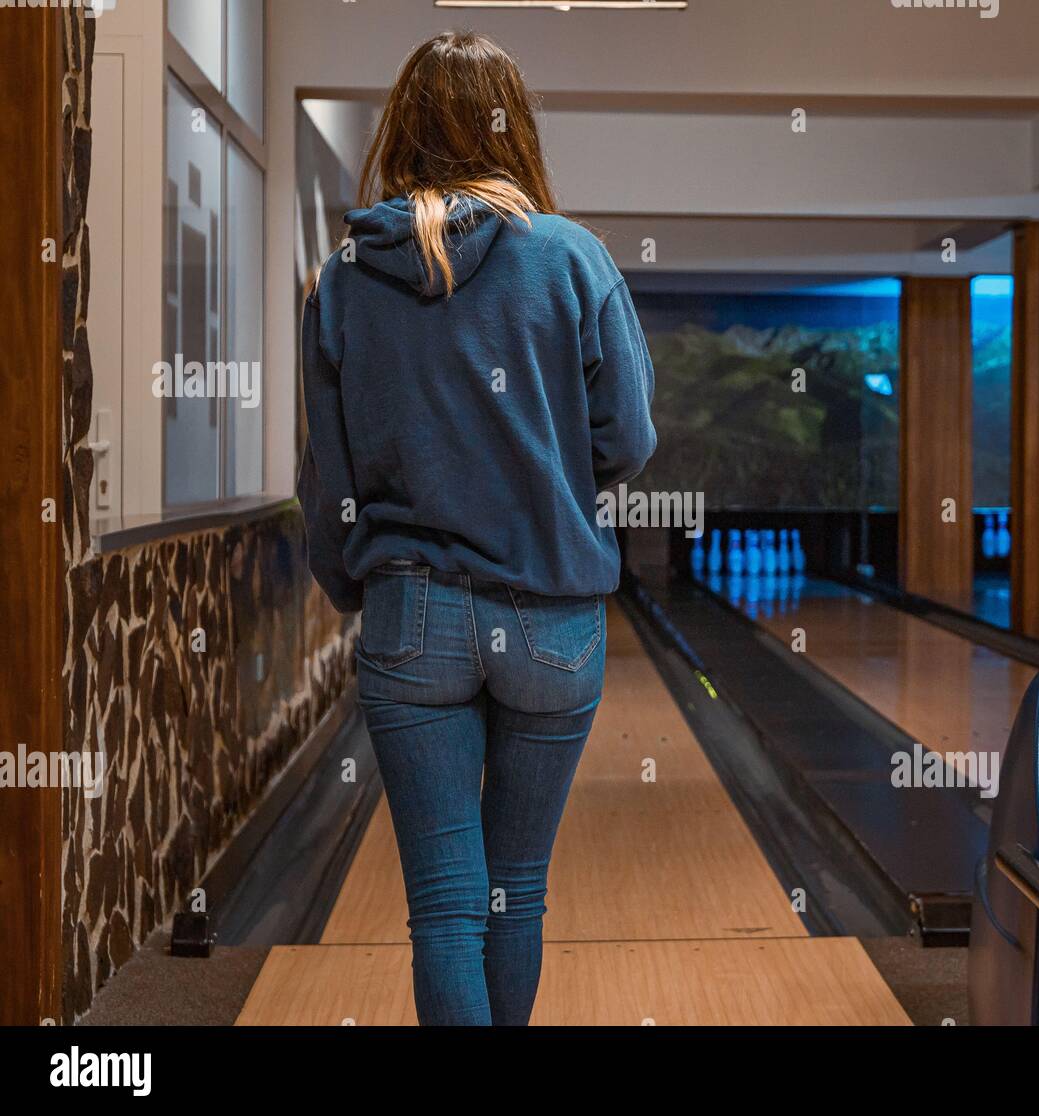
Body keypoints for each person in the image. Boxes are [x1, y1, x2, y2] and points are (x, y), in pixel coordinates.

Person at [296, 30, 656, 1025]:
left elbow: (324, 481)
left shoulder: (343, 282)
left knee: (447, 909)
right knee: (516, 887)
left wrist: (355, 591)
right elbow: (627, 436)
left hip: (412, 613)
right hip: (550, 616)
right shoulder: (573, 259)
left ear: (399, 129)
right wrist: (543, 473)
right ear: (514, 128)